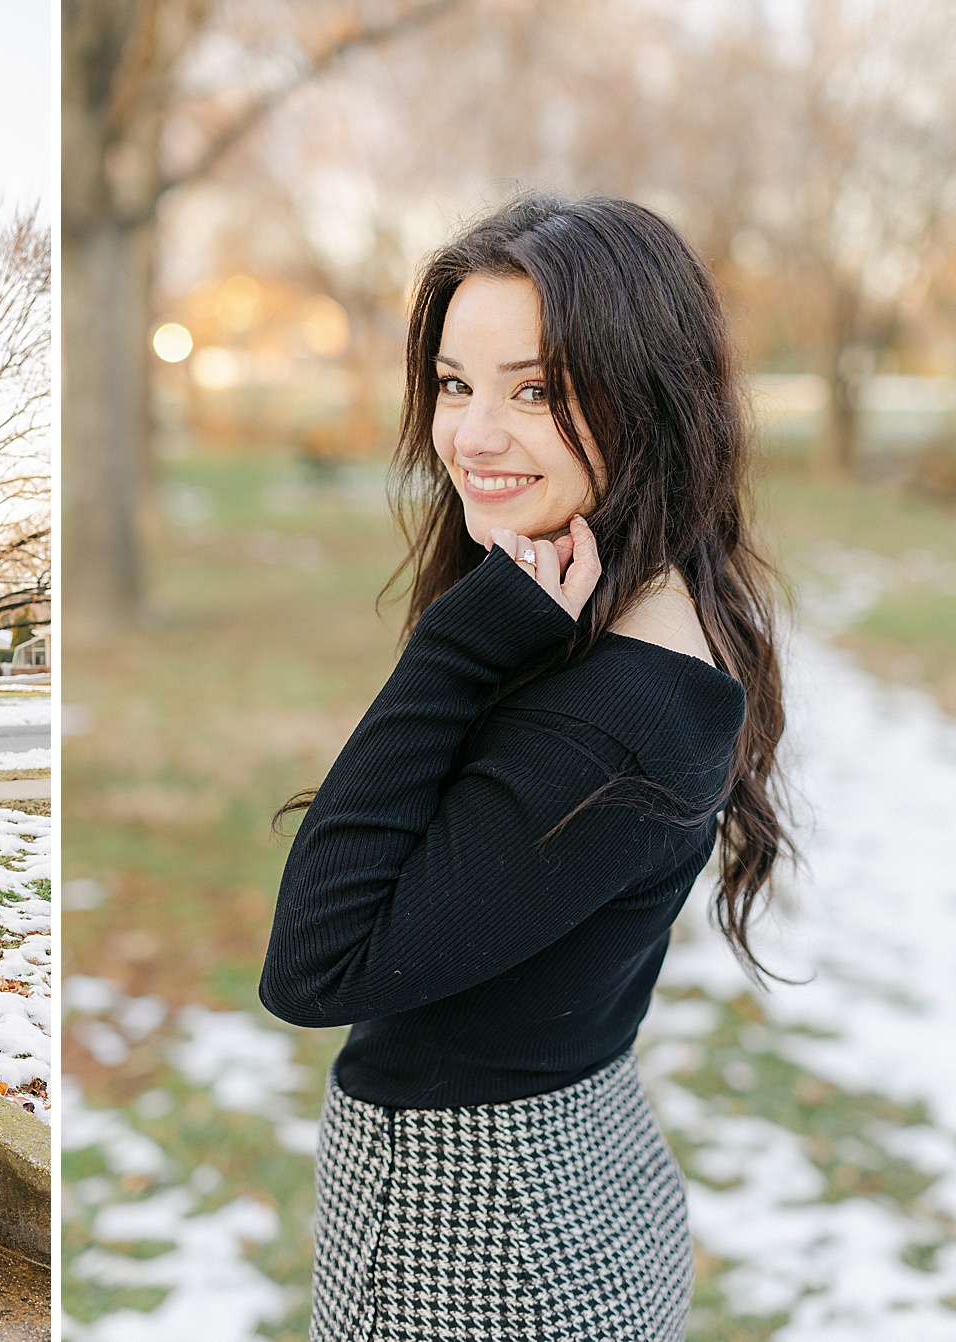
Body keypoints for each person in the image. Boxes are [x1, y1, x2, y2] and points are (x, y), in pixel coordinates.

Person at [259, 194, 787, 1340]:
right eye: (455, 383)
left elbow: (314, 962)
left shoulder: (621, 715)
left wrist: (453, 647)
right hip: (567, 1190)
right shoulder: (649, 599)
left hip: (478, 1250)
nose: (473, 435)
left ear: (649, 398)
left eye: (535, 389)